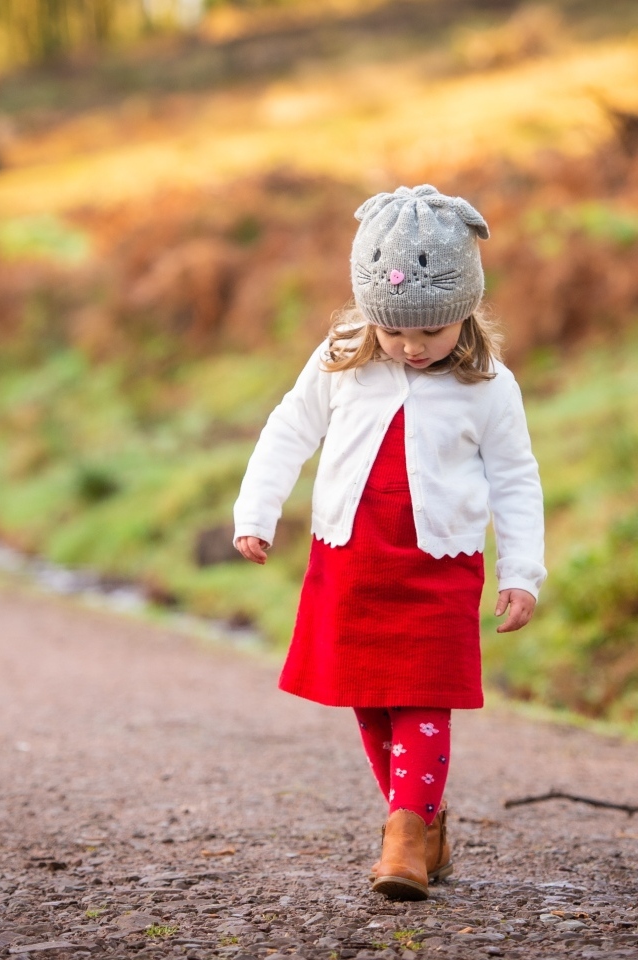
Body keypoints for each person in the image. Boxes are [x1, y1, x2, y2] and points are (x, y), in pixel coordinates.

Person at [234, 184, 546, 901]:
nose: (410, 346)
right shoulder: (343, 358)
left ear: (465, 310)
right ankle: (423, 823)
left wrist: (522, 571)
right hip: (353, 557)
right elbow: (289, 430)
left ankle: (404, 833)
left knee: (423, 693)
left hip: (440, 565)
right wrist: (257, 511)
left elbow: (515, 479)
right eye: (394, 329)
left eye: (430, 331)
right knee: (371, 697)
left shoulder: (489, 386)